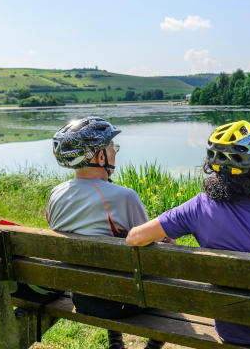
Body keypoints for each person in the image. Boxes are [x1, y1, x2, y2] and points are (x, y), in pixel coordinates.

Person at [126, 120, 250, 348]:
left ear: (212, 166)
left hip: (230, 331)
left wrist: (165, 239)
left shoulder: (196, 209)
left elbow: (134, 238)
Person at [47, 116, 164, 349]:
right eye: (112, 148)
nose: (115, 153)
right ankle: (152, 345)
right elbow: (152, 241)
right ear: (100, 156)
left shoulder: (55, 195)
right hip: (128, 301)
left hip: (82, 297)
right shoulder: (123, 196)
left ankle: (115, 340)